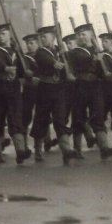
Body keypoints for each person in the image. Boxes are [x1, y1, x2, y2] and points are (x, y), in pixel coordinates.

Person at [68, 24, 112, 160]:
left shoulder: (98, 52)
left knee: (98, 114)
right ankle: (77, 149)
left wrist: (105, 68)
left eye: (84, 34)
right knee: (79, 116)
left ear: (91, 35)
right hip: (80, 86)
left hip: (95, 86)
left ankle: (104, 148)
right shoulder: (74, 52)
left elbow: (103, 73)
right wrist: (96, 58)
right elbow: (80, 61)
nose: (81, 37)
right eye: (78, 35)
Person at [32, 26, 79, 164]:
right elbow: (44, 59)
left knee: (60, 120)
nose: (42, 38)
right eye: (41, 36)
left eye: (45, 36)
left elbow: (69, 64)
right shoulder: (41, 51)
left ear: (53, 37)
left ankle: (66, 151)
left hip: (59, 90)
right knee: (41, 119)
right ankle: (38, 150)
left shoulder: (60, 51)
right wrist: (55, 63)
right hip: (45, 90)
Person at [0, 24, 32, 164]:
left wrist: (26, 72)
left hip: (14, 88)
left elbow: (22, 70)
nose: (1, 37)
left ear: (9, 35)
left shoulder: (16, 51)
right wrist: (6, 68)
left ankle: (20, 151)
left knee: (16, 118)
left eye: (3, 34)